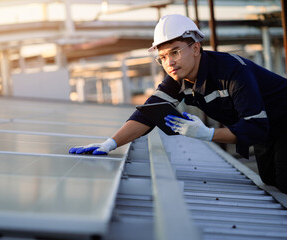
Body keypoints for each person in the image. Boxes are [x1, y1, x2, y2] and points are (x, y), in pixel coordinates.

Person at [69, 14, 287, 194]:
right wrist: (110, 144)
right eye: (162, 57)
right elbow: (147, 115)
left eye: (175, 52)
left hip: (281, 121)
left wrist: (208, 134)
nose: (169, 62)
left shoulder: (232, 72)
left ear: (196, 47)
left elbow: (255, 127)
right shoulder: (177, 79)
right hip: (267, 131)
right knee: (270, 181)